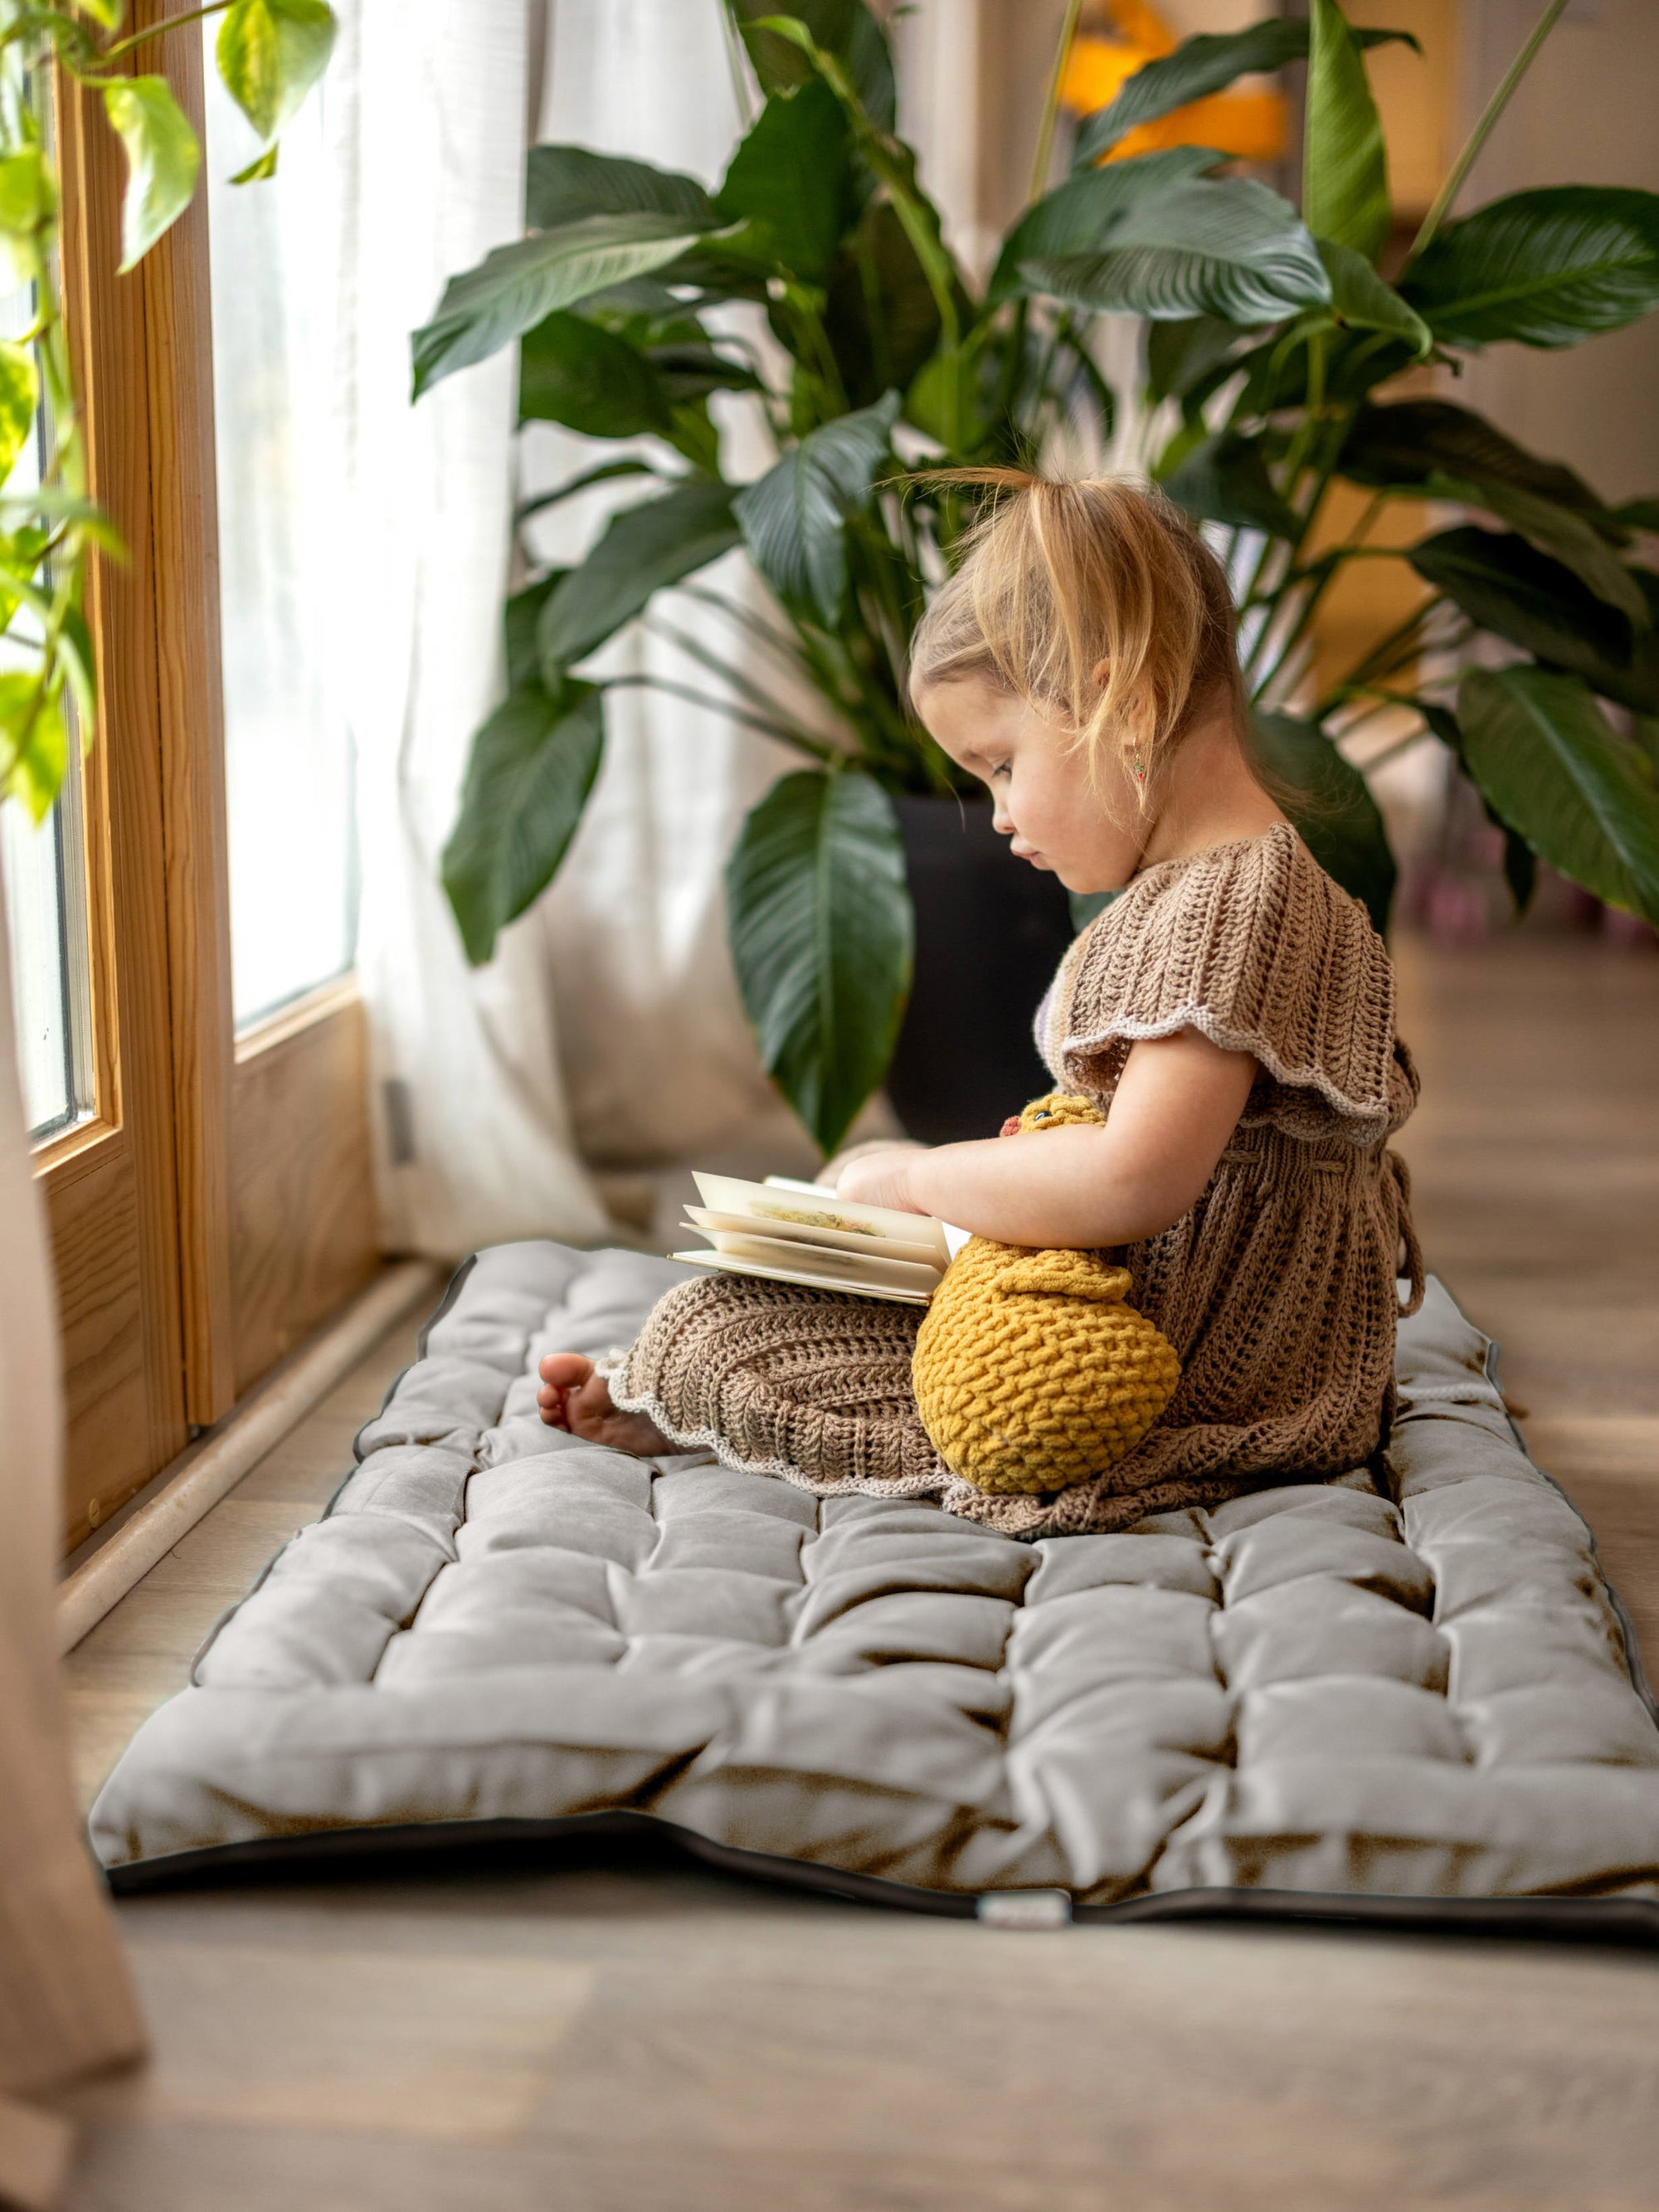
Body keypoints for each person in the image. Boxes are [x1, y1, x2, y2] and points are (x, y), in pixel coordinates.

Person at [538, 470, 1423, 1539]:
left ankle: (689, 1403)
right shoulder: (1212, 888)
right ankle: (693, 1387)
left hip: (1198, 1361)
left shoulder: (1233, 910)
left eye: (1003, 766)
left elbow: (1134, 1177)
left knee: (731, 1338)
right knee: (775, 1302)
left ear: (1124, 709)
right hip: (1140, 1300)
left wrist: (916, 1177)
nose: (997, 815)